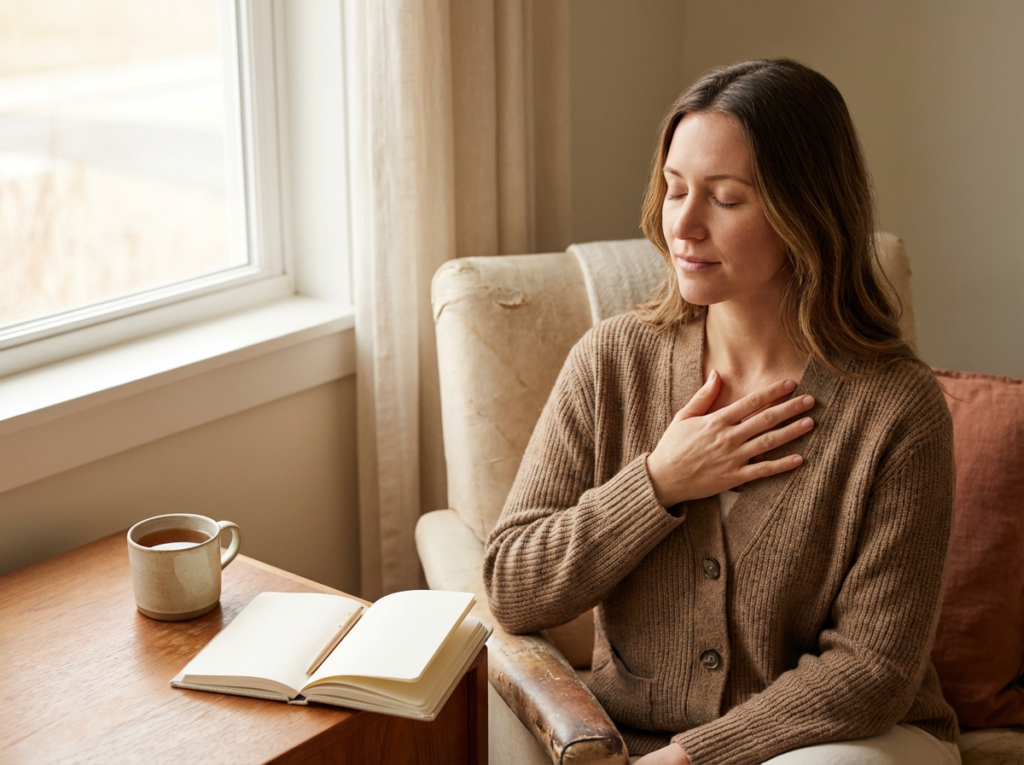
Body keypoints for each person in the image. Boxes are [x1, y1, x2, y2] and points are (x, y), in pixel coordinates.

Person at [483, 59, 960, 765]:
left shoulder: (897, 408)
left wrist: (693, 757)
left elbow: (873, 667)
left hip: (847, 739)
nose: (685, 224)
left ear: (807, 210)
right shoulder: (612, 361)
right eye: (675, 190)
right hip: (625, 736)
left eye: (726, 199)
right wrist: (656, 484)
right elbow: (510, 585)